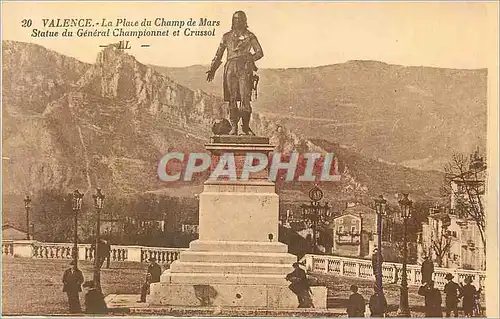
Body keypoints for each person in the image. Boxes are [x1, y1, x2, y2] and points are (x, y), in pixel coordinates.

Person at [206, 10, 264, 136]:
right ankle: (234, 127)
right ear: (232, 21)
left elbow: (259, 52)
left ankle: (246, 127)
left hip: (245, 69)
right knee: (232, 99)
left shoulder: (250, 36)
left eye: (240, 19)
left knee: (245, 99)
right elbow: (219, 55)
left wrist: (249, 59)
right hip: (230, 68)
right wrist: (212, 69)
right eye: (235, 19)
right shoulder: (226, 36)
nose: (237, 21)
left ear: (245, 21)